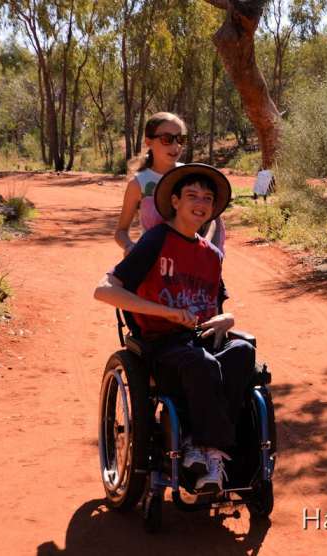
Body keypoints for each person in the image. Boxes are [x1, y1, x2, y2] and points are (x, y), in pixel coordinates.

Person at [95, 163, 255, 492]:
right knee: (202, 363)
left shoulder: (211, 255)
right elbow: (104, 290)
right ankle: (206, 447)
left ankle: (204, 446)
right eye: (192, 195)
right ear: (175, 201)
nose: (200, 203)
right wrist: (165, 312)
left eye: (207, 198)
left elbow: (212, 309)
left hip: (196, 339)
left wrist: (226, 319)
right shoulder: (156, 240)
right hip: (160, 343)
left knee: (242, 350)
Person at [114, 112, 226, 258]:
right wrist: (130, 246)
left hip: (191, 260)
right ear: (148, 142)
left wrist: (205, 247)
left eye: (180, 139)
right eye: (167, 139)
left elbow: (212, 220)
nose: (175, 146)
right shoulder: (138, 183)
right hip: (153, 260)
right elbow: (120, 231)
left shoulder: (191, 174)